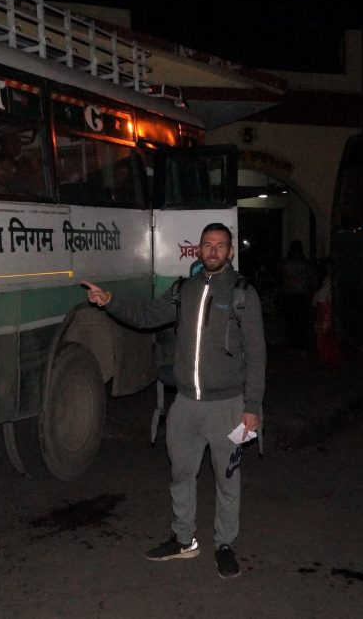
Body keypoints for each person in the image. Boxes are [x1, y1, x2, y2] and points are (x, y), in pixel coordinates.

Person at [82, 222, 265, 579]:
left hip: (228, 406)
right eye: (207, 244)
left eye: (220, 246)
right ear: (198, 249)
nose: (212, 250)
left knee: (227, 480)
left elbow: (257, 354)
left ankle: (224, 545)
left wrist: (252, 406)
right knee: (181, 474)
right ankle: (183, 540)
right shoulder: (184, 290)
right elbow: (148, 316)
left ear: (230, 252)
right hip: (185, 405)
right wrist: (110, 302)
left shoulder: (244, 294)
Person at [279, 239, 316, 352]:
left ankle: (291, 343)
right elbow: (312, 278)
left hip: (289, 294)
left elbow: (280, 275)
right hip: (301, 294)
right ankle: (300, 343)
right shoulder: (305, 263)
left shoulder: (287, 263)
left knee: (291, 320)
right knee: (301, 320)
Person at [312, 261, 341, 368]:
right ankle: (326, 358)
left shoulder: (332, 282)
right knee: (323, 336)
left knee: (326, 336)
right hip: (323, 309)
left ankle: (328, 358)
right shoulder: (327, 280)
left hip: (326, 309)